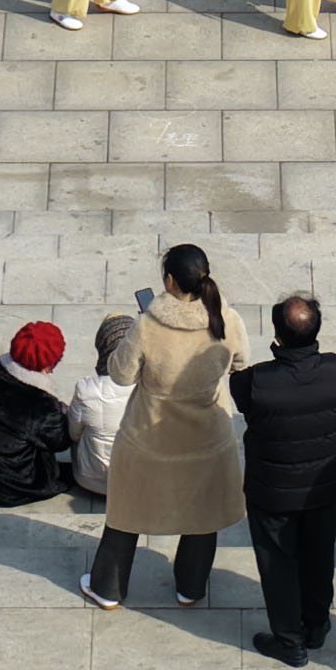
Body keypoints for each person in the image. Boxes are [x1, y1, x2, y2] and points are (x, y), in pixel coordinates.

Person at [90, 249, 242, 612]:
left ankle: (108, 589)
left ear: (170, 281)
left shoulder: (147, 326)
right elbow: (240, 362)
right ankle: (190, 588)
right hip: (208, 436)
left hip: (149, 438)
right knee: (203, 517)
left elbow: (121, 374)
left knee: (126, 513)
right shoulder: (227, 318)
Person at [232, 292, 336, 664]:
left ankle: (289, 640)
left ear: (277, 333)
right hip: (323, 489)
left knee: (278, 564)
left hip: (273, 492)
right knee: (320, 557)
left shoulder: (257, 381)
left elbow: (239, 393)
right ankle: (316, 625)